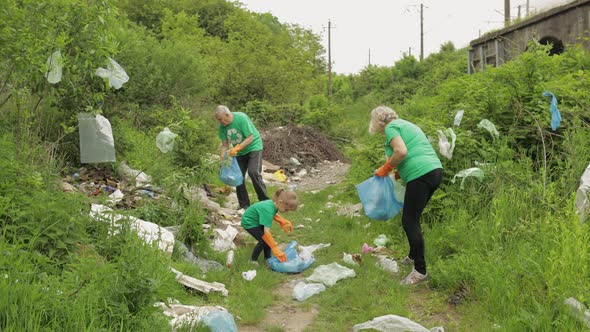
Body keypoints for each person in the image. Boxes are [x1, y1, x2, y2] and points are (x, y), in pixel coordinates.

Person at [369, 106, 443, 285]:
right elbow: (414, 154)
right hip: (434, 171)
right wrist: (394, 174)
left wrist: (384, 169)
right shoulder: (407, 125)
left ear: (378, 121)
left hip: (421, 174)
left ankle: (420, 271)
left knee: (409, 221)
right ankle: (412, 257)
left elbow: (401, 152)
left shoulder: (391, 128)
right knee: (413, 218)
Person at [215, 105, 268, 210]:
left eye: (221, 119)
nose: (220, 122)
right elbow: (225, 145)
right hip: (239, 153)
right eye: (218, 120)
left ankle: (265, 201)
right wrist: (222, 158)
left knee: (253, 172)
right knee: (238, 177)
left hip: (254, 147)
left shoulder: (241, 118)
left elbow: (250, 137)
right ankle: (244, 205)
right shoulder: (222, 127)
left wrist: (237, 148)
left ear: (227, 114)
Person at [241, 189, 298, 264]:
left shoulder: (274, 205)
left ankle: (267, 258)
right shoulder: (268, 209)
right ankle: (253, 260)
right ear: (280, 202)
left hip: (257, 220)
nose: (287, 212)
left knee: (266, 240)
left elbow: (272, 214)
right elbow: (266, 232)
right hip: (249, 222)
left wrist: (283, 221)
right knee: (263, 241)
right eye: (287, 209)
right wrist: (275, 249)